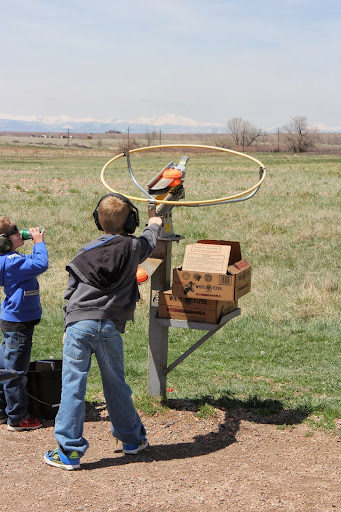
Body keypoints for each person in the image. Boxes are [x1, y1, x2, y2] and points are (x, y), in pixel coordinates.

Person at [44, 193, 162, 470]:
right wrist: (154, 220)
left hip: (78, 325)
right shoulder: (133, 248)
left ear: (98, 221)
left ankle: (69, 453)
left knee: (73, 387)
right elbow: (150, 239)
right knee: (116, 384)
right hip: (109, 326)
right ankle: (131, 440)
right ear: (130, 222)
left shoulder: (84, 253)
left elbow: (70, 293)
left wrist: (67, 326)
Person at [0, 218, 48, 431]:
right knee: (15, 371)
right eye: (15, 231)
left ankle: (3, 410)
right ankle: (18, 417)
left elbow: (26, 264)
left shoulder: (10, 259)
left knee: (4, 367)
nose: (21, 232)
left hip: (13, 320)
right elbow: (40, 264)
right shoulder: (11, 261)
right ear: (4, 241)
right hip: (18, 323)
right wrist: (38, 243)